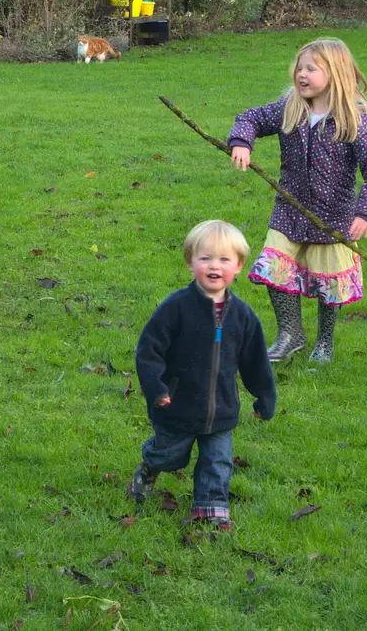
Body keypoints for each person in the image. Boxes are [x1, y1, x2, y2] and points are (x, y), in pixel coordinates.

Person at [227, 37, 367, 363]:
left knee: (328, 284)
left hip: (334, 216)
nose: (301, 75)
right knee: (273, 269)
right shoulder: (290, 108)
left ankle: (324, 343)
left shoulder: (352, 120)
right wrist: (242, 142)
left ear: (336, 74)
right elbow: (251, 118)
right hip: (289, 211)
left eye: (311, 69)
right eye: (299, 68)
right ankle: (290, 334)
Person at [129, 220, 276, 532]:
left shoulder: (243, 316)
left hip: (221, 409)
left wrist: (264, 394)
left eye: (224, 260)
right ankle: (151, 466)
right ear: (190, 262)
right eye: (205, 258)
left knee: (217, 461)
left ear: (238, 266)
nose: (214, 266)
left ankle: (211, 507)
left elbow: (255, 360)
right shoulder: (176, 308)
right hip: (176, 404)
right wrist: (155, 386)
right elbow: (149, 351)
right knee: (170, 454)